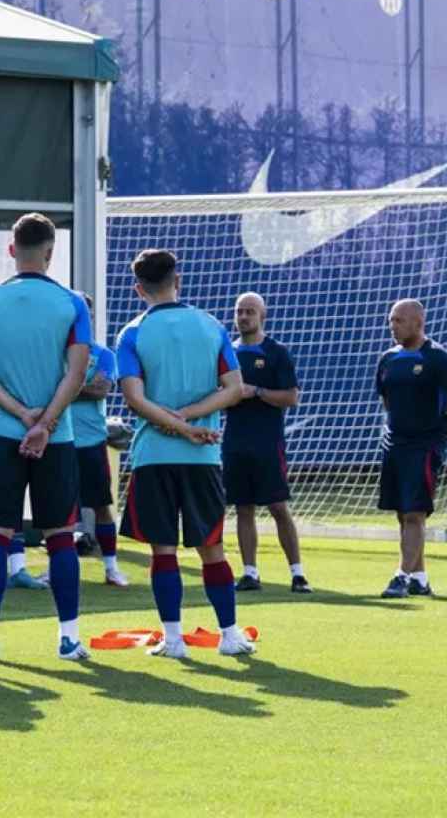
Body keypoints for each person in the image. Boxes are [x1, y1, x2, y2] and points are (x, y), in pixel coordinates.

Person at [0, 213, 91, 662]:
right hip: (56, 438)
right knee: (60, 537)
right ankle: (69, 639)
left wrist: (20, 415)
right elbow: (77, 374)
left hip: (1, 434)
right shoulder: (73, 304)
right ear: (51, 252)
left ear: (11, 249)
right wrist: (46, 423)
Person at [114, 249, 252, 658]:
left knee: (163, 550)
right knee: (212, 547)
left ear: (138, 289)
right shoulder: (211, 326)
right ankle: (229, 635)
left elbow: (134, 399)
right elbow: (234, 388)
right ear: (179, 279)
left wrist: (177, 424)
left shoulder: (132, 333)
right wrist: (191, 421)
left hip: (153, 456)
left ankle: (173, 640)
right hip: (202, 457)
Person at [375, 300, 447, 598]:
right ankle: (420, 578)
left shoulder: (438, 358)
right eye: (391, 320)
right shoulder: (388, 359)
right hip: (395, 444)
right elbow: (387, 401)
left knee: (415, 513)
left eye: (399, 320)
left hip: (424, 445)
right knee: (403, 512)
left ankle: (400, 576)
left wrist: (441, 437)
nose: (393, 326)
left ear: (418, 322)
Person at [223, 292, 310, 594]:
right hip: (235, 441)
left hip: (268, 441)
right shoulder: (227, 353)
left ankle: (298, 574)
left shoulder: (276, 352)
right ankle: (250, 572)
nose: (243, 317)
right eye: (239, 311)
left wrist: (255, 391)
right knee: (242, 507)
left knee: (277, 506)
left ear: (263, 316)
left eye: (250, 311)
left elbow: (291, 397)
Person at [72, 292, 126, 587]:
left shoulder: (103, 354)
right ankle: (59, 568)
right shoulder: (55, 352)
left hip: (91, 440)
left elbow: (100, 389)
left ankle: (111, 567)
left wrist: (64, 388)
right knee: (59, 508)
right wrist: (81, 385)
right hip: (59, 439)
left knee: (101, 504)